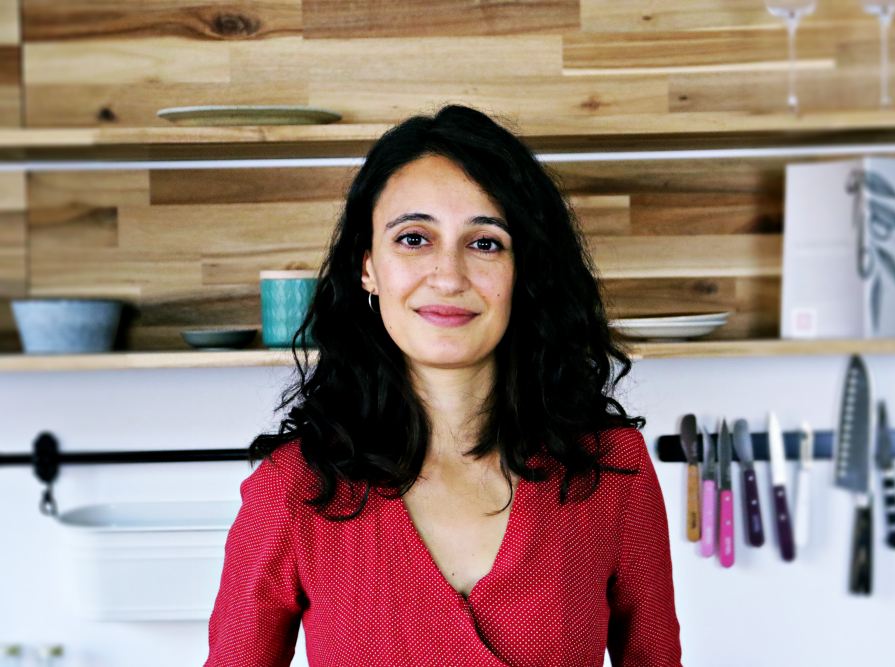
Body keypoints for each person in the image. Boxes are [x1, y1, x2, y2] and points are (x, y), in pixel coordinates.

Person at [204, 104, 682, 666]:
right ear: (367, 267)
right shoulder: (293, 489)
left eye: (485, 243)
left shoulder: (611, 471)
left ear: (522, 270)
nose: (449, 277)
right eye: (413, 239)